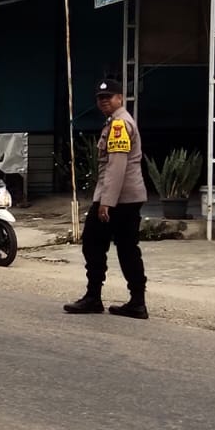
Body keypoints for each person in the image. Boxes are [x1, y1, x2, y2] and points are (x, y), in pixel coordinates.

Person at [64, 78, 149, 319]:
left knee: (95, 244)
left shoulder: (120, 124)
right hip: (124, 198)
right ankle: (135, 301)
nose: (104, 102)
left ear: (120, 98)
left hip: (119, 200)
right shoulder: (115, 122)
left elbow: (116, 166)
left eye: (108, 97)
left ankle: (96, 297)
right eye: (100, 98)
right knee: (124, 248)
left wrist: (106, 203)